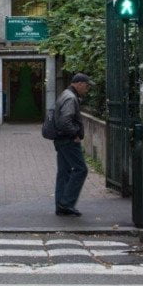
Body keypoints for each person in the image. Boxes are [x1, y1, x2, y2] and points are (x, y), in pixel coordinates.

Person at [53, 72, 92, 216]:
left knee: (64, 172)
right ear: (80, 84)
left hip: (61, 140)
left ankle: (60, 206)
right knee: (81, 170)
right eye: (86, 86)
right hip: (68, 140)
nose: (87, 89)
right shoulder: (70, 98)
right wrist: (75, 134)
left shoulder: (65, 94)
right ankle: (66, 203)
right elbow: (65, 121)